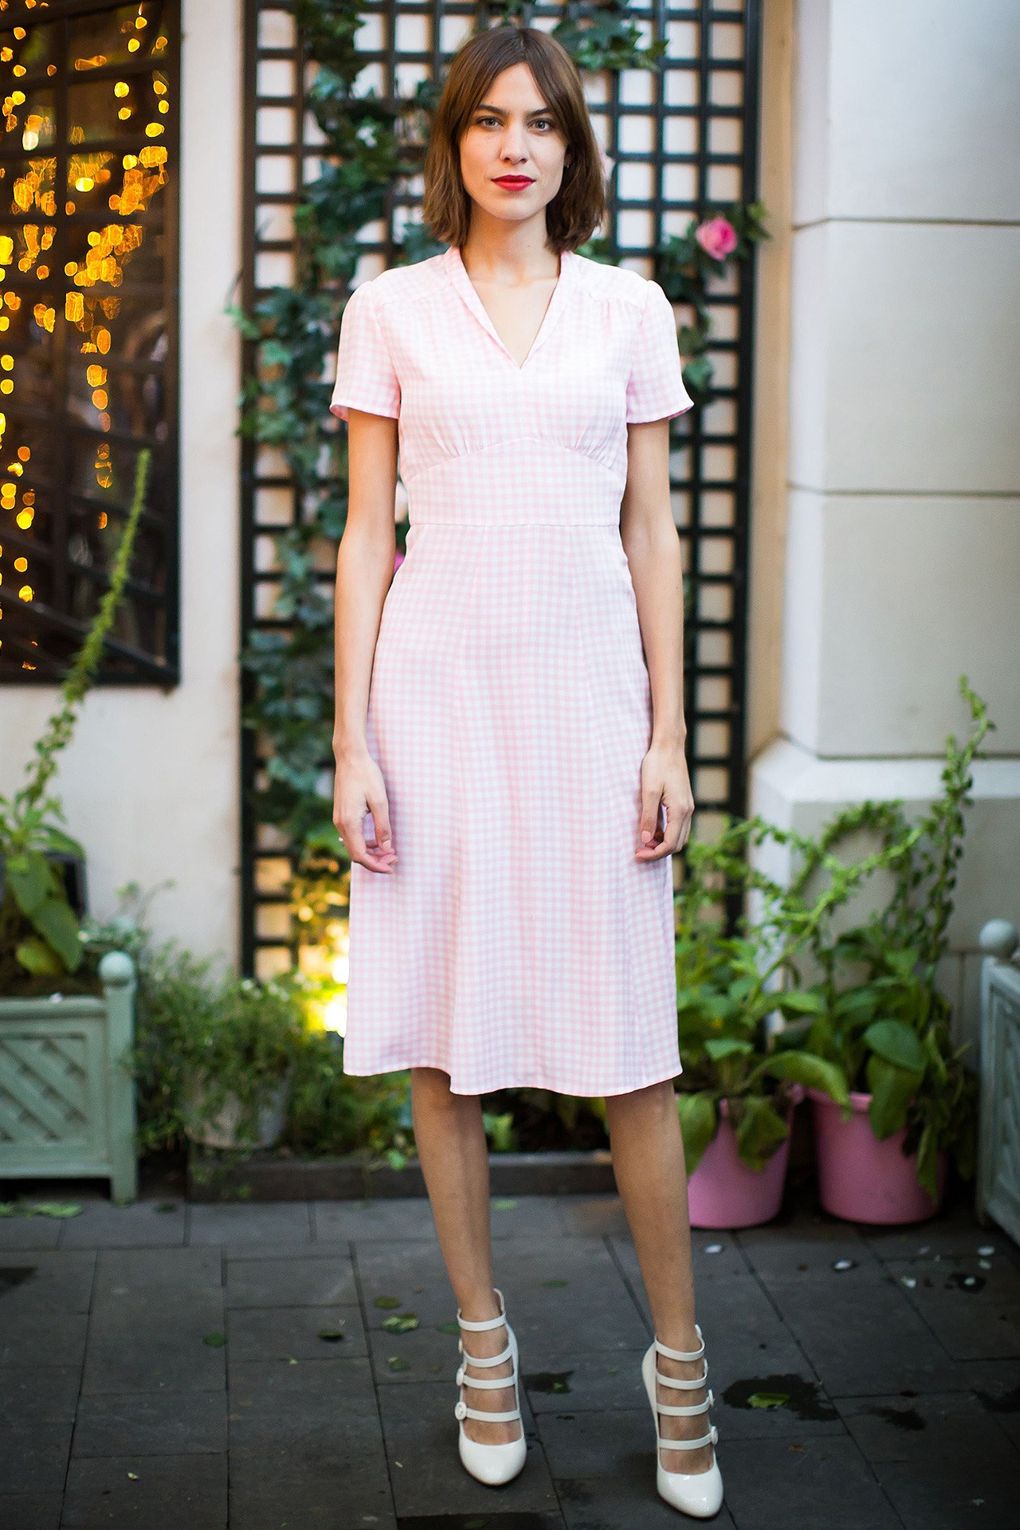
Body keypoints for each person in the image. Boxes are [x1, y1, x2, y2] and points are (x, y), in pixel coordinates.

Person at [329, 23, 723, 1521]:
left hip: (588, 706)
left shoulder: (629, 309)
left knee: (633, 1050)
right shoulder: (390, 310)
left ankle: (678, 1365)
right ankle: (483, 1348)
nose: (515, 145)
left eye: (541, 121)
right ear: (455, 142)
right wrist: (353, 739)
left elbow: (652, 531)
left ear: (571, 146)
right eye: (489, 120)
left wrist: (670, 734)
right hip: (435, 702)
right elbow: (366, 533)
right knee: (444, 1041)